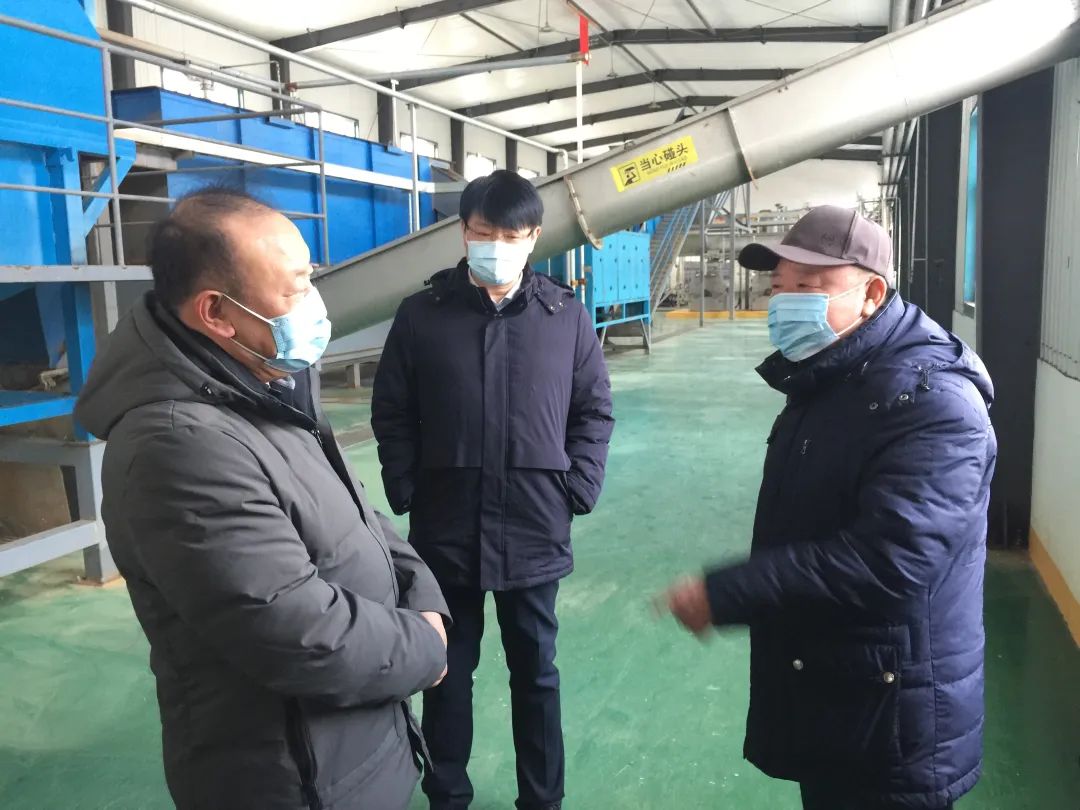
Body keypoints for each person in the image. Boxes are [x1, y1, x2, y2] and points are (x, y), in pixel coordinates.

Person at [74, 188, 450, 810]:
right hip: (293, 778)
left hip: (352, 750)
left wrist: (422, 594)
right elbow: (295, 632)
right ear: (217, 313)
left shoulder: (263, 384)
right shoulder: (179, 445)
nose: (315, 305)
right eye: (296, 289)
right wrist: (424, 648)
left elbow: (355, 511)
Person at [661, 206, 997, 810]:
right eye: (779, 287)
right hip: (845, 688)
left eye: (809, 286)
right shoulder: (838, 374)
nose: (784, 302)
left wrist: (732, 592)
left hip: (894, 716)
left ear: (871, 294)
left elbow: (890, 560)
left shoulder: (934, 404)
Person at [371, 169, 614, 810]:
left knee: (536, 672)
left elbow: (593, 410)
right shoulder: (423, 315)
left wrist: (578, 487)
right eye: (484, 233)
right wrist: (407, 487)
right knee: (446, 669)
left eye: (512, 236)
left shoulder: (565, 317)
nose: (497, 246)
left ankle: (542, 799)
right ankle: (447, 794)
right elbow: (392, 409)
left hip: (535, 527)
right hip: (446, 529)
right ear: (464, 233)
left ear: (534, 238)